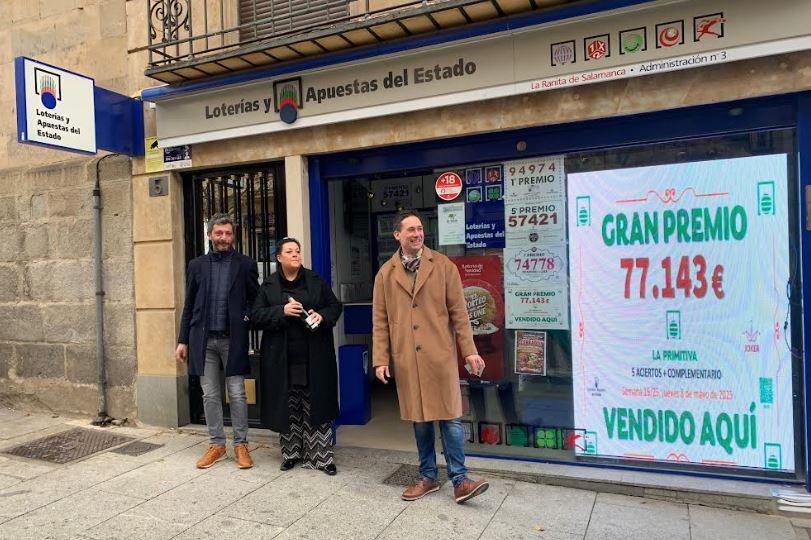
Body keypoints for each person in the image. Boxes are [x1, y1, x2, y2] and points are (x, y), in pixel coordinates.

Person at [372, 210, 490, 504]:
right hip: (408, 358)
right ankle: (428, 477)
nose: (417, 234)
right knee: (420, 420)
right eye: (410, 230)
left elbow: (460, 313)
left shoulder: (443, 266)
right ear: (397, 235)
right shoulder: (385, 274)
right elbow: (380, 321)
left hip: (440, 355)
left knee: (450, 418)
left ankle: (460, 480)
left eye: (420, 229)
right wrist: (380, 359)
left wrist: (470, 351)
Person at [251, 237, 343, 475]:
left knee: (316, 405)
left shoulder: (315, 280)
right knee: (289, 406)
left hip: (314, 356)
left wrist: (322, 316)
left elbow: (335, 306)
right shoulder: (269, 285)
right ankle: (291, 454)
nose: (295, 255)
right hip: (282, 359)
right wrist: (280, 311)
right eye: (289, 251)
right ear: (279, 257)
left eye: (298, 251)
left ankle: (321, 457)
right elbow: (255, 316)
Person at [176, 213, 259, 469]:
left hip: (233, 339)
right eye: (219, 233)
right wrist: (182, 340)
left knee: (237, 393)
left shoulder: (245, 264)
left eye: (228, 233)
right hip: (203, 341)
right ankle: (217, 444)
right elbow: (189, 305)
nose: (224, 238)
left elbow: (256, 299)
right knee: (210, 394)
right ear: (210, 234)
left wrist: (245, 317)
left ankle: (241, 444)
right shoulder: (197, 265)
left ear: (233, 236)